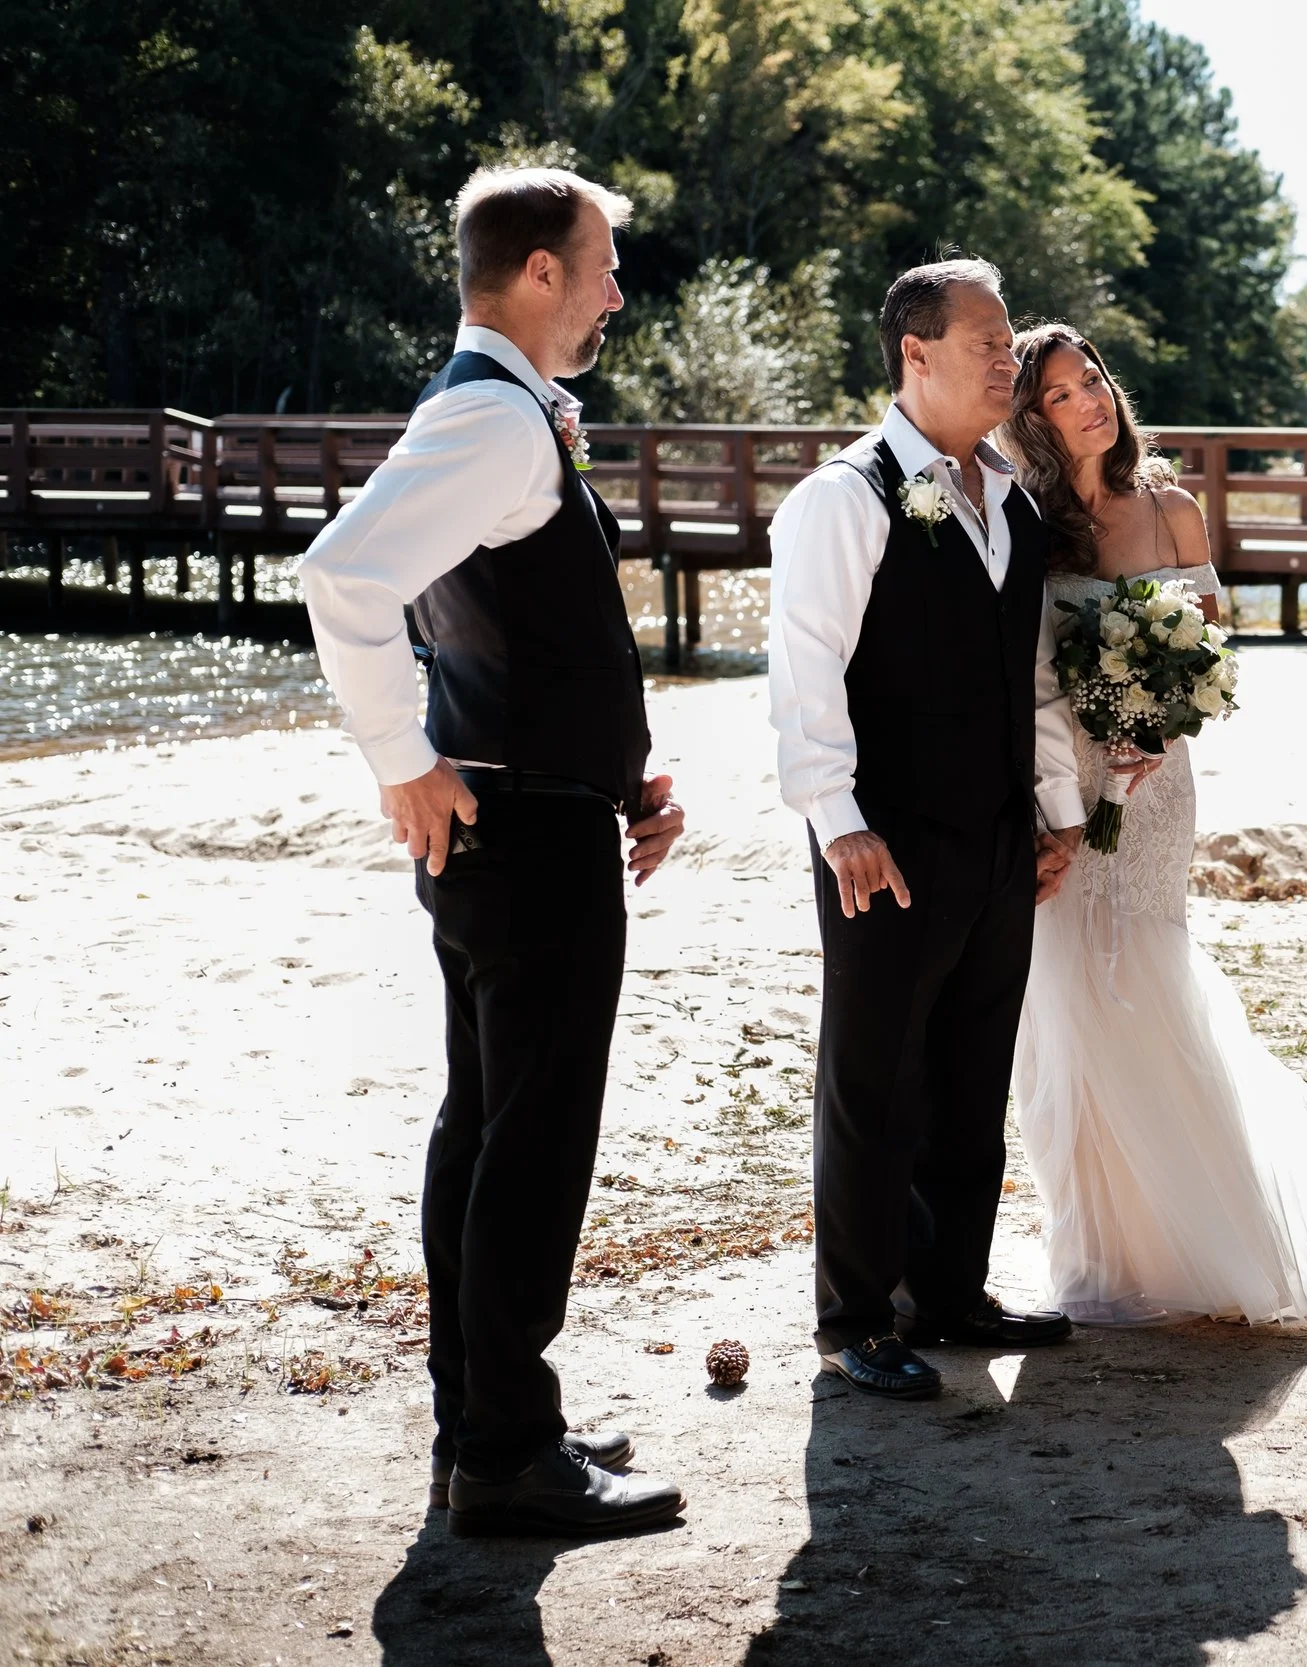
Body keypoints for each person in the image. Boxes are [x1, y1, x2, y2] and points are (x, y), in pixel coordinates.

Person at [299, 166, 688, 1537]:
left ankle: (487, 1413)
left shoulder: (498, 414)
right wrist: (402, 758)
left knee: (487, 1124)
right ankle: (511, 1453)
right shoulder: (495, 417)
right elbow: (343, 577)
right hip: (519, 835)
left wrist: (615, 769)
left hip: (523, 814)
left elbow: (504, 628)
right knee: (531, 1136)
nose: (616, 293)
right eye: (603, 267)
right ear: (536, 272)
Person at [999, 323, 1307, 1329]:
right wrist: (1084, 755)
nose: (1092, 400)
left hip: (1159, 785)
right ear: (1031, 414)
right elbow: (1019, 668)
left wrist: (1160, 720)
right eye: (1065, 392)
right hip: (1061, 783)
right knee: (1064, 991)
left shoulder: (1172, 506)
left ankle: (1201, 1237)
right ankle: (1101, 1246)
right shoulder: (1023, 518)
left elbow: (1209, 647)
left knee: (1150, 968)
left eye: (1096, 379)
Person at [766, 261, 1086, 1401]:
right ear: (915, 354)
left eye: (1009, 345)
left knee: (969, 1067)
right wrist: (837, 820)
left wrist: (1055, 813)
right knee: (875, 1078)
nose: (1008, 362)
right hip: (885, 841)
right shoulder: (843, 498)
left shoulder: (1013, 498)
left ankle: (948, 1290)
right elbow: (803, 671)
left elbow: (1033, 674)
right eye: (987, 344)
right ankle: (856, 1314)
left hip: (1000, 836)